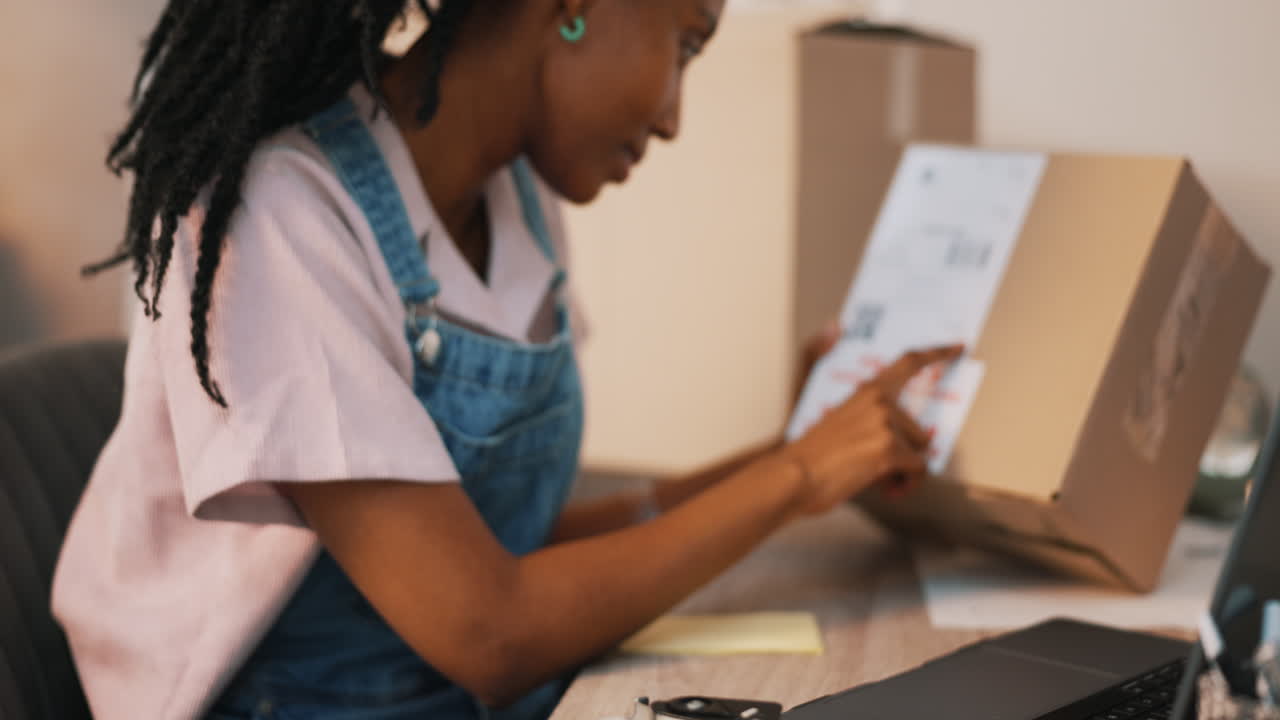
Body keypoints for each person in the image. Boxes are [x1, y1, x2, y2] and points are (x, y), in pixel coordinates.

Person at [51, 1, 962, 718]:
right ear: (571, 4)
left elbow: (510, 555)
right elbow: (490, 632)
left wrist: (789, 452)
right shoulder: (282, 213)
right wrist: (799, 476)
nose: (678, 116)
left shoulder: (516, 200)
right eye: (686, 43)